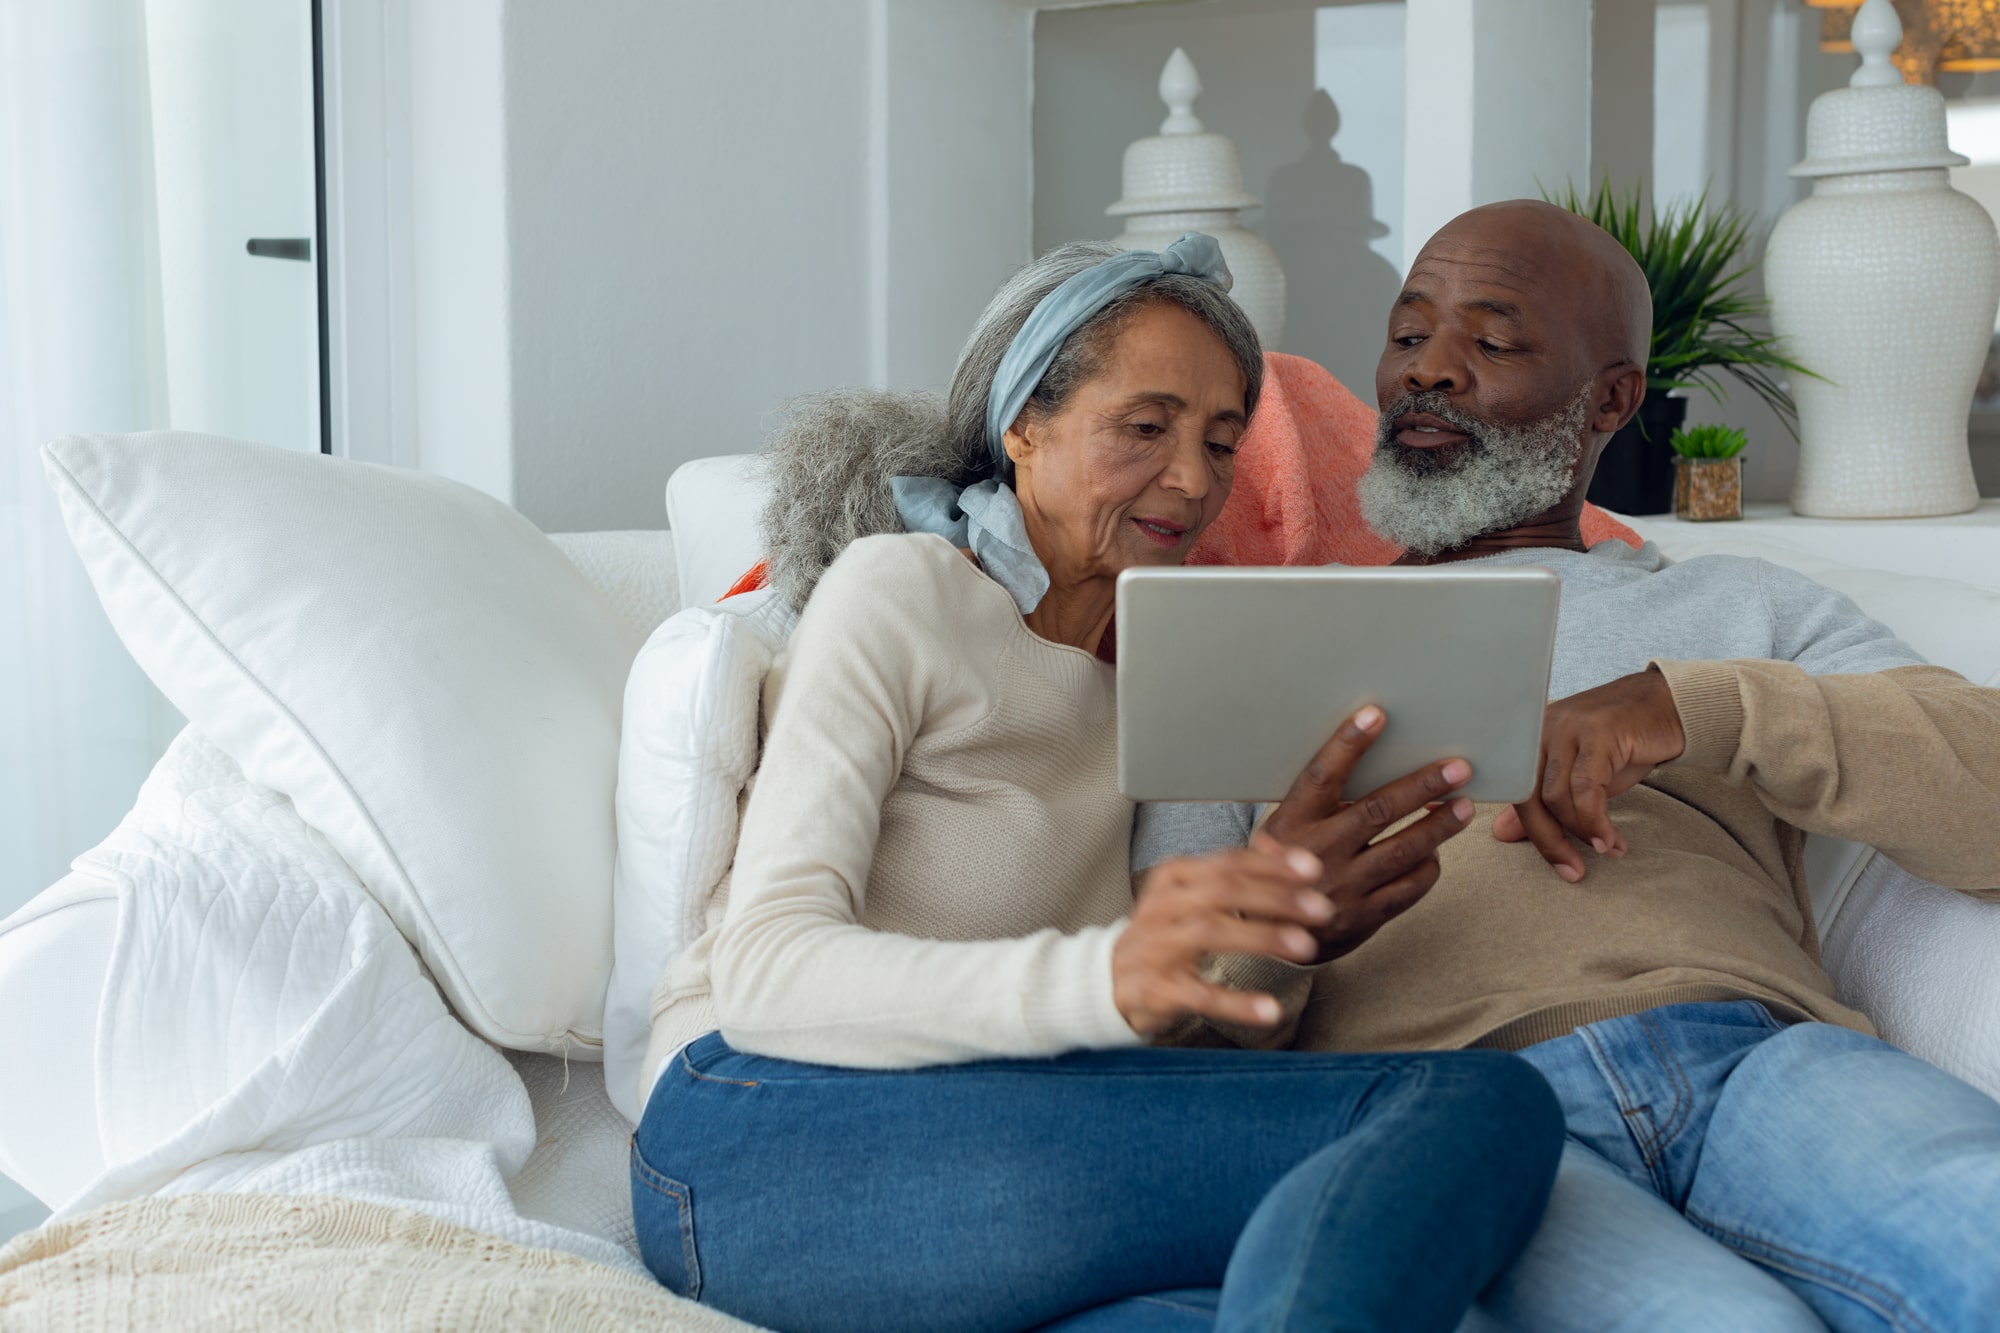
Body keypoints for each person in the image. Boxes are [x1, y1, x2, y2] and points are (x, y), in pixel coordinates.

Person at [628, 235, 1566, 1333]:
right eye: (1143, 427)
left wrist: (1281, 916)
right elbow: (767, 973)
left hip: (998, 1135)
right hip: (757, 1122)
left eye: (1220, 443)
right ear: (1022, 426)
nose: (1191, 478)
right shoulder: (901, 591)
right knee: (1471, 1104)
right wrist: (1106, 976)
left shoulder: (1151, 685)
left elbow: (1170, 1046)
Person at [1137, 200, 2000, 1333]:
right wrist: (1280, 929)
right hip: (1463, 1113)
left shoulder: (1733, 601)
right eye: (1406, 337)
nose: (1427, 373)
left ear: (1611, 398)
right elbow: (1168, 1035)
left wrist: (1695, 706)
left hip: (1764, 1063)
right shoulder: (1249, 647)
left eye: (1490, 342)